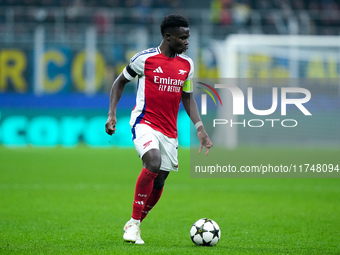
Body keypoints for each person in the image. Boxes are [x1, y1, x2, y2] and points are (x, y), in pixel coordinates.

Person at [105, 14, 213, 244]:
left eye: (188, 37)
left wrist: (200, 128)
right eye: (183, 38)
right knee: (152, 162)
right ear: (168, 36)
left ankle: (135, 223)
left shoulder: (188, 65)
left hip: (169, 131)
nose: (187, 42)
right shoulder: (144, 59)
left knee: (160, 181)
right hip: (144, 122)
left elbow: (188, 98)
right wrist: (112, 114)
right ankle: (133, 225)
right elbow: (119, 82)